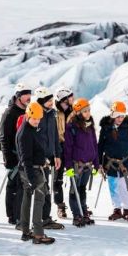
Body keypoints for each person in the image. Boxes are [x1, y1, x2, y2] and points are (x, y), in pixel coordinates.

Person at [15, 102, 55, 245]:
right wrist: (31, 178)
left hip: (31, 169)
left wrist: (42, 159)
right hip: (31, 170)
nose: (37, 121)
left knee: (27, 198)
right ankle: (38, 234)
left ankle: (26, 231)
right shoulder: (25, 133)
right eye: (34, 118)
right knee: (40, 198)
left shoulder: (29, 129)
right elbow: (26, 158)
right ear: (28, 115)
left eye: (39, 119)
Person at [97, 101, 128, 222]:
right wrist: (99, 164)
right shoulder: (105, 127)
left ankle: (126, 210)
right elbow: (100, 146)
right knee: (113, 186)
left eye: (122, 115)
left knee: (124, 187)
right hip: (109, 163)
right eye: (118, 116)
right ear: (112, 114)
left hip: (125, 163)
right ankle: (117, 209)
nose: (120, 118)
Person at [0, 83, 31, 226]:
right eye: (25, 94)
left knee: (21, 186)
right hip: (13, 154)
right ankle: (14, 216)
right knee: (15, 186)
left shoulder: (27, 111)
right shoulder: (10, 113)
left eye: (29, 93)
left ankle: (17, 215)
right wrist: (8, 158)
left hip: (22, 154)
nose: (29, 97)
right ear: (18, 96)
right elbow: (3, 136)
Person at [63, 98, 100, 228]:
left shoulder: (90, 125)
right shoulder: (72, 126)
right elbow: (67, 148)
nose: (88, 113)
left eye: (89, 110)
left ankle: (84, 211)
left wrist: (97, 164)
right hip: (76, 164)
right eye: (85, 111)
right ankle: (76, 214)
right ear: (78, 112)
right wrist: (68, 167)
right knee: (74, 190)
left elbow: (94, 145)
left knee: (82, 189)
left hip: (88, 164)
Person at [32, 87, 64, 230]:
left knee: (46, 189)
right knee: (41, 189)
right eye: (49, 101)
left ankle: (45, 218)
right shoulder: (35, 115)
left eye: (52, 100)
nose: (52, 103)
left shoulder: (51, 114)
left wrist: (57, 155)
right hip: (38, 160)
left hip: (49, 158)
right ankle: (40, 219)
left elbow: (55, 136)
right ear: (41, 101)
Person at [53, 87, 74, 218]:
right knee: (58, 179)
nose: (73, 98)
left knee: (74, 176)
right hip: (59, 148)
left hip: (72, 148)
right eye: (70, 96)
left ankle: (78, 204)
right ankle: (60, 205)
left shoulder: (74, 112)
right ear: (64, 99)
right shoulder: (54, 114)